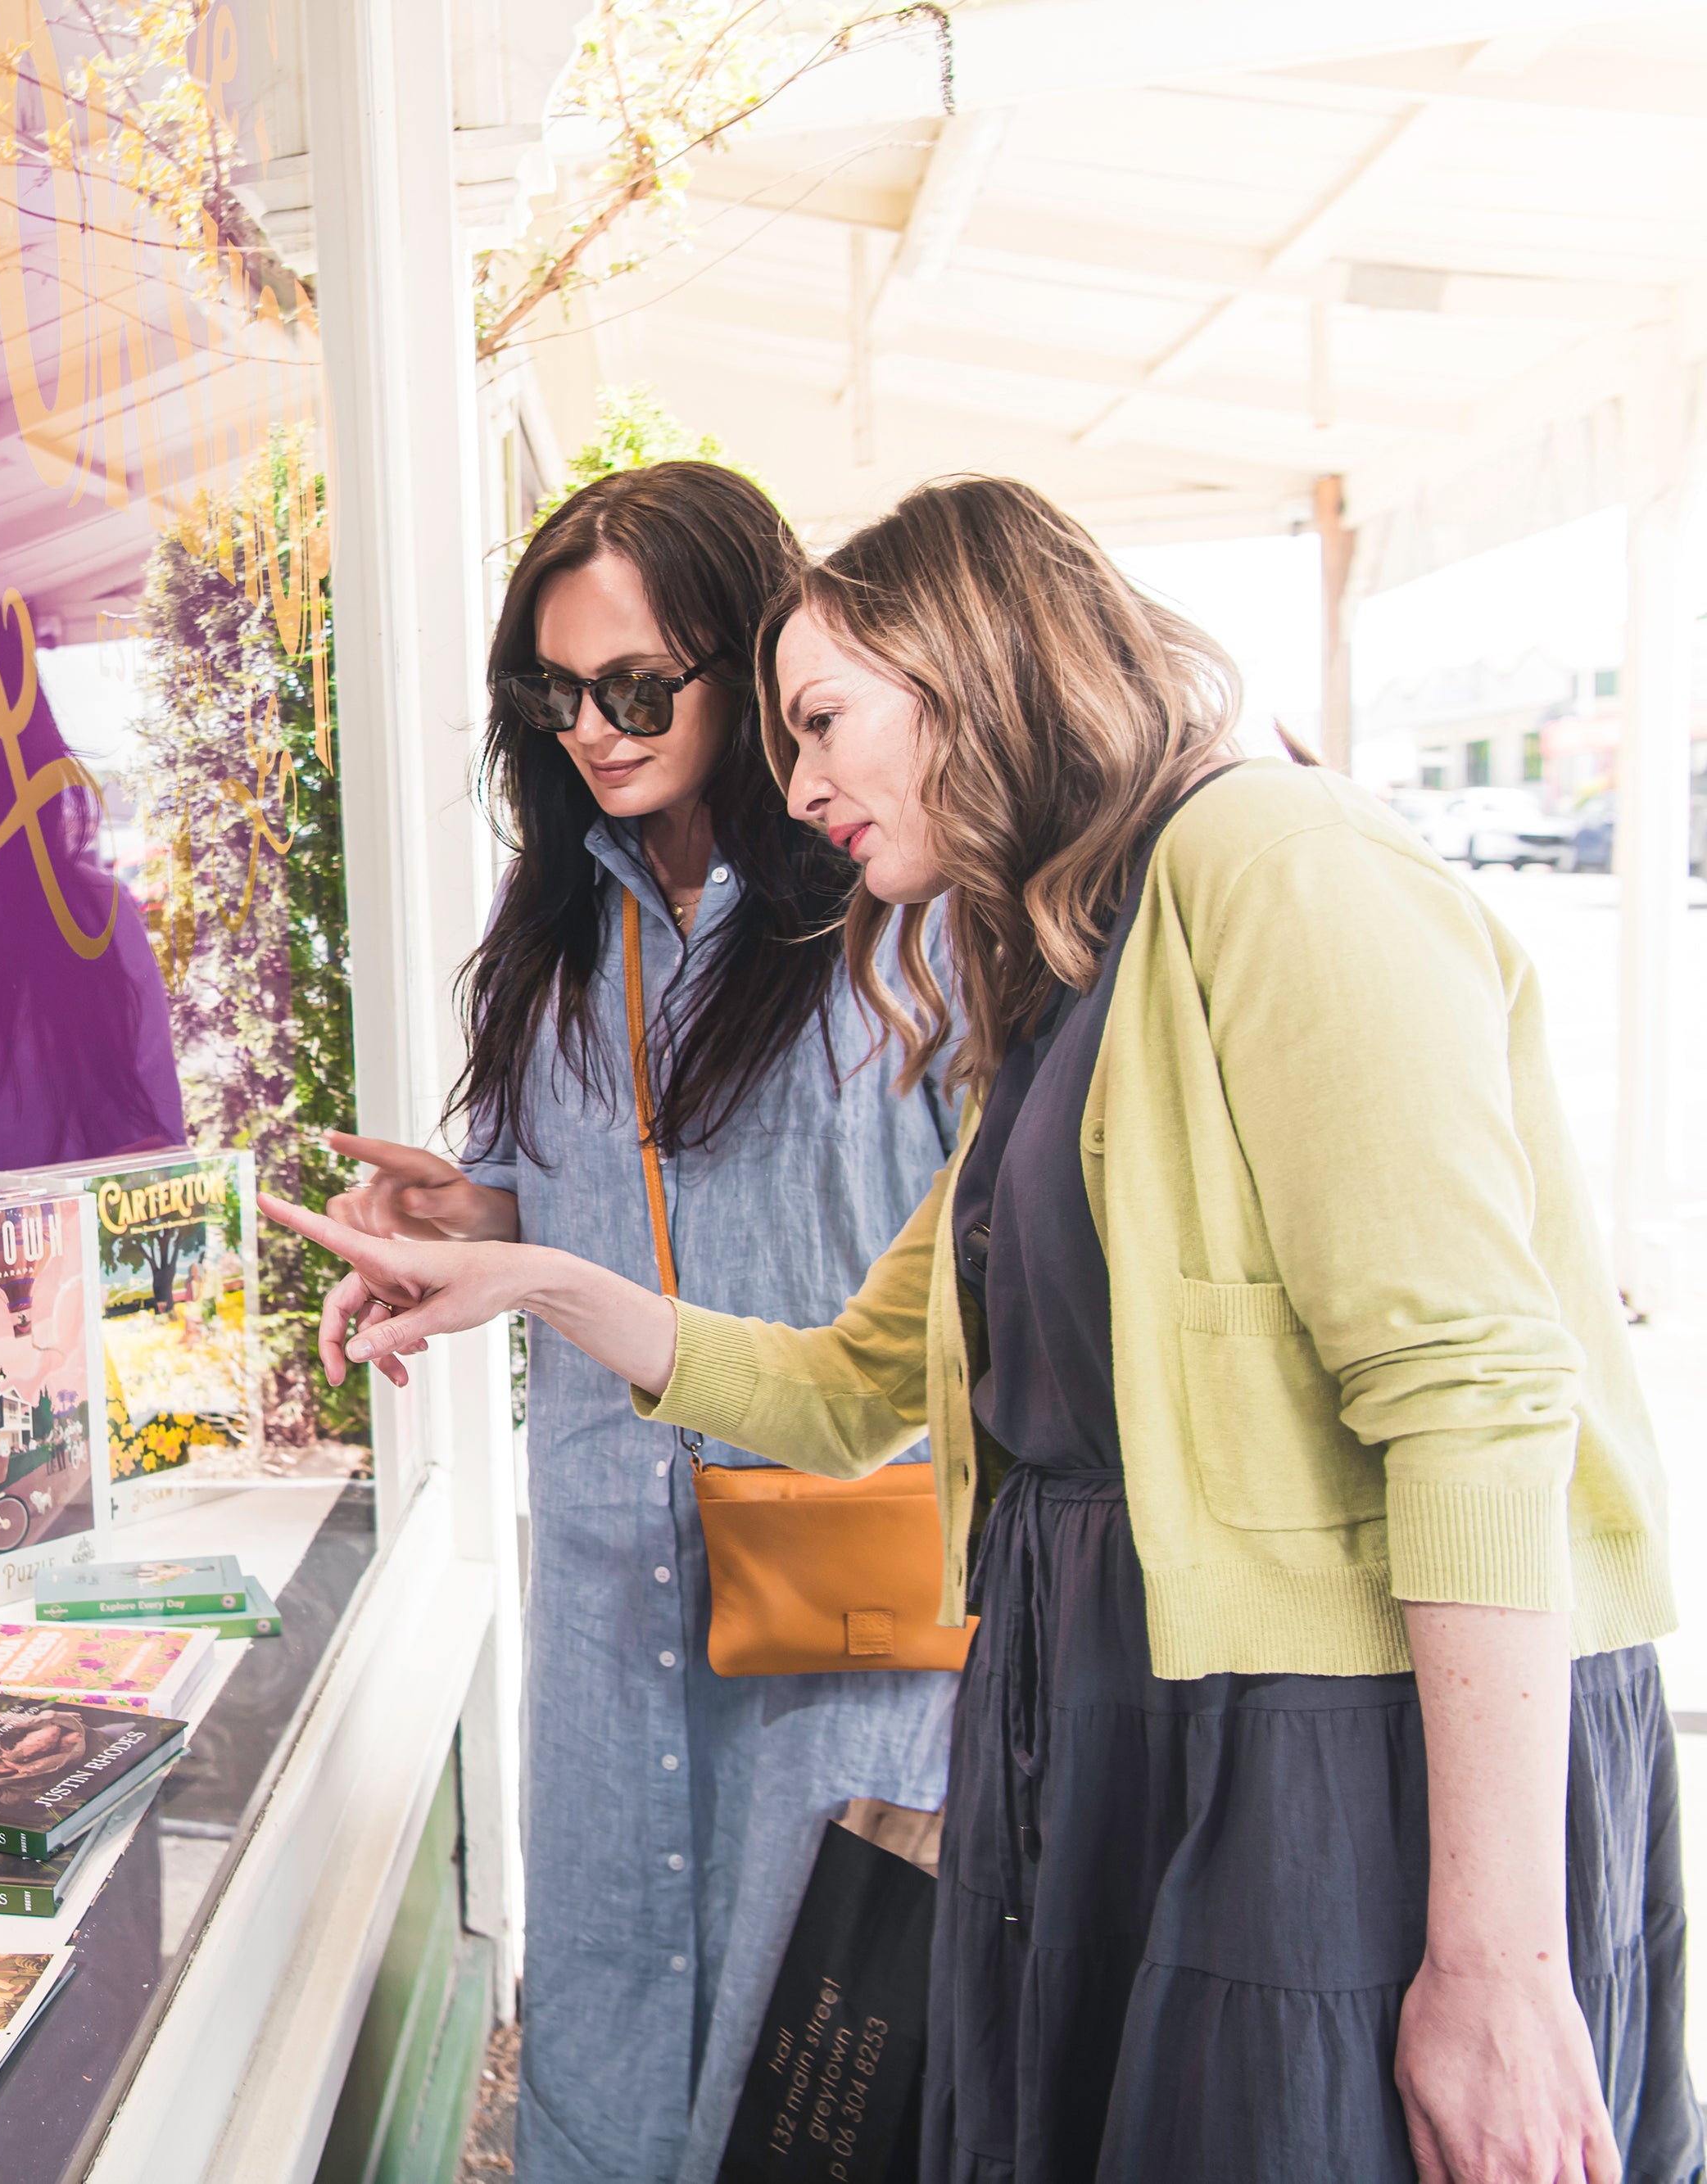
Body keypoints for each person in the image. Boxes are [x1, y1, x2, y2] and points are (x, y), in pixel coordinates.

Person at [269, 475, 1694, 2182]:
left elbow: (1468, 1399)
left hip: (1314, 1758)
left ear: (970, 662)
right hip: (1130, 1736)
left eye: (816, 718)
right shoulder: (1058, 971)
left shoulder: (1277, 859)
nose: (795, 784)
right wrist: (534, 1269)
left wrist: (1494, 1964)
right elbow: (844, 1379)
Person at [319, 460, 957, 2181]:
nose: (590, 729)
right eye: (551, 693)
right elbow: (555, 1197)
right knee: (603, 2027)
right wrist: (463, 1220)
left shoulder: (896, 916)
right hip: (609, 1577)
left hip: (849, 1594)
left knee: (830, 2070)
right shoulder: (548, 930)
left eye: (632, 688)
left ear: (746, 665)